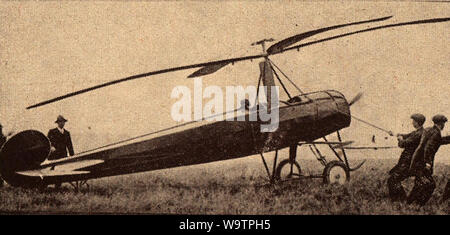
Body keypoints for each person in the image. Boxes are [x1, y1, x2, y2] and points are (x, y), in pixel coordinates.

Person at [407, 114, 447, 206]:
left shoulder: (429, 130)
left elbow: (439, 141)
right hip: (423, 163)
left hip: (416, 161)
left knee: (418, 184)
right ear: (441, 123)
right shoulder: (436, 133)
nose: (444, 125)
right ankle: (418, 205)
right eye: (444, 123)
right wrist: (428, 163)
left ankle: (409, 203)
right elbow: (428, 148)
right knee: (430, 185)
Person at [387, 113, 425, 202]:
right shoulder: (418, 132)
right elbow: (406, 135)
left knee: (393, 179)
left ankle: (400, 200)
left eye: (413, 121)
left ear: (417, 122)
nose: (412, 123)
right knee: (393, 179)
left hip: (408, 163)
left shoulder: (418, 134)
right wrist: (395, 134)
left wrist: (400, 139)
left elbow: (403, 143)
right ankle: (401, 200)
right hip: (408, 162)